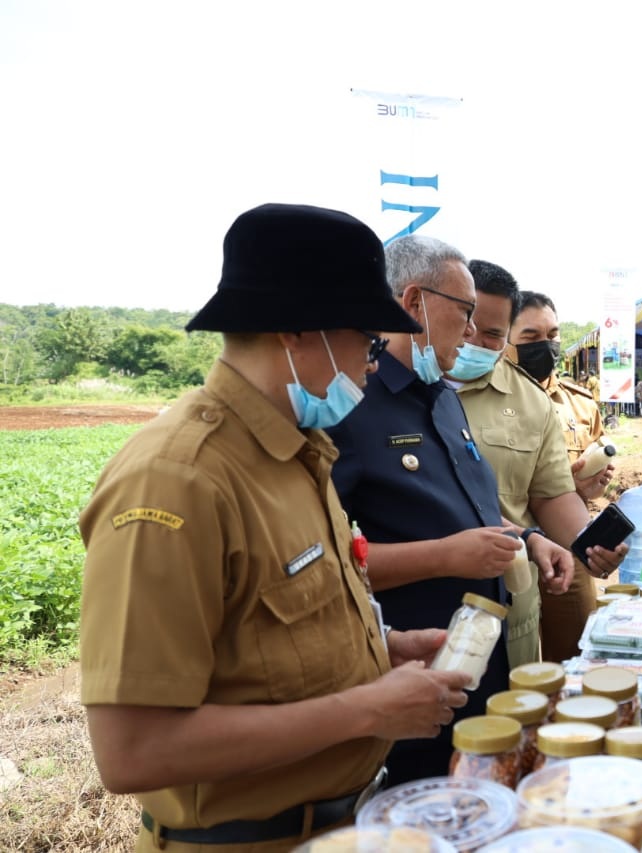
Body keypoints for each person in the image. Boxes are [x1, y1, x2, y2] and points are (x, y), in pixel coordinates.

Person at [78, 204, 472, 851]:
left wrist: (382, 650)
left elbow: (268, 640)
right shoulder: (176, 481)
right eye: (367, 341)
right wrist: (369, 708)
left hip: (342, 824)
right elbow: (132, 749)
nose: (374, 363)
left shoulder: (298, 454)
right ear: (297, 330)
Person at [326, 236, 574, 787]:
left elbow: (473, 511)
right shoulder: (349, 407)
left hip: (483, 653)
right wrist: (445, 557)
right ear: (413, 302)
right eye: (463, 313)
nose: (469, 333)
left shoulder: (441, 397)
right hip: (414, 666)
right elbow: (327, 562)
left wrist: (532, 540)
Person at [448, 260, 627, 667]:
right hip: (421, 603)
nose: (473, 340)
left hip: (513, 596)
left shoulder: (531, 402)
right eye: (469, 325)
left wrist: (589, 542)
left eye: (493, 334)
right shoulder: (397, 387)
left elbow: (551, 493)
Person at [509, 291, 615, 659]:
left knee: (575, 656)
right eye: (531, 337)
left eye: (552, 335)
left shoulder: (580, 402)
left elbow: (586, 480)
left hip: (569, 550)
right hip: (509, 551)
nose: (546, 346)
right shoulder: (479, 402)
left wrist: (591, 485)